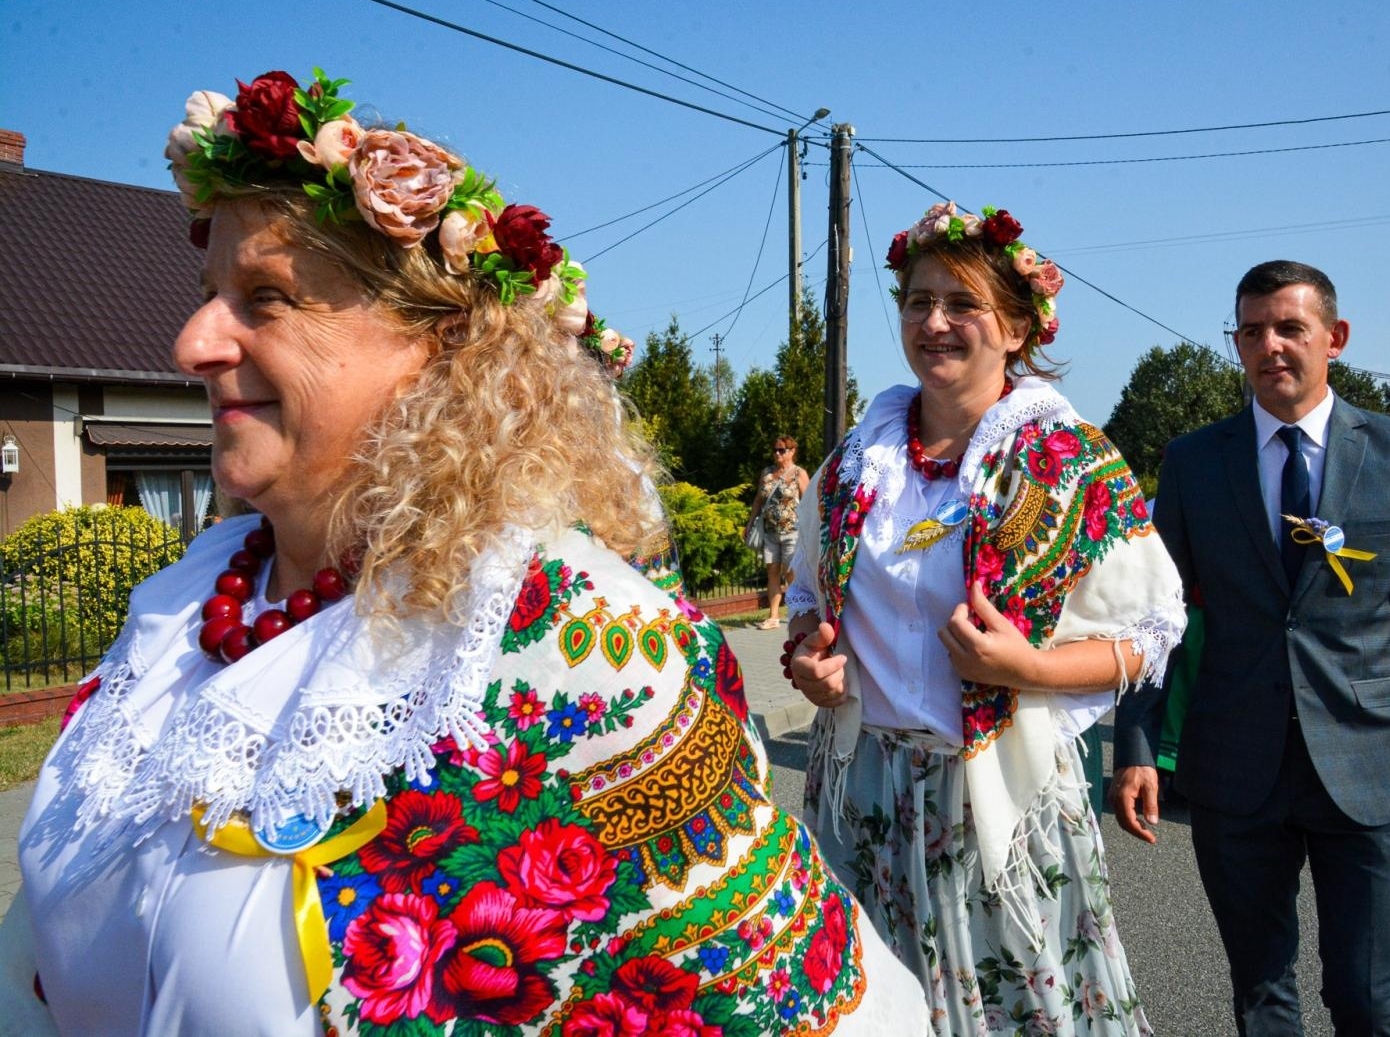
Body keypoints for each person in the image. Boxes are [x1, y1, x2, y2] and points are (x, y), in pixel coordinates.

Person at [15, 67, 928, 1036]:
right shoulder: (175, 617)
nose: (193, 342)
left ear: (440, 351)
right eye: (207, 294)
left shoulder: (587, 650)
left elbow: (818, 1011)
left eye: (267, 298)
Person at [785, 201, 1186, 1036]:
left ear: (1015, 329)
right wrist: (806, 663)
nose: (934, 323)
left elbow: (1152, 632)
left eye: (962, 305)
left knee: (1020, 1015)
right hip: (864, 795)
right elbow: (805, 601)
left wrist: (1027, 671)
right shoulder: (858, 461)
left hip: (996, 807)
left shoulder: (1070, 461)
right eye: (917, 301)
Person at [1112, 260, 1390, 1035]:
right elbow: (1152, 616)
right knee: (1262, 998)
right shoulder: (1196, 461)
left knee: (1369, 1002)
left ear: (1337, 339)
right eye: (1252, 332)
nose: (1271, 347)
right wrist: (1132, 743)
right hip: (1236, 772)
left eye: (1290, 328)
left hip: (1371, 770)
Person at [747, 435, 810, 629]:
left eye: (782, 450)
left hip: (792, 532)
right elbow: (759, 499)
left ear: (792, 452)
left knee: (791, 573)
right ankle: (773, 616)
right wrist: (750, 523)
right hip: (770, 532)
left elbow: (807, 502)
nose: (777, 453)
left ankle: (795, 612)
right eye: (775, 449)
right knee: (772, 572)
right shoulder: (767, 473)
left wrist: (809, 529)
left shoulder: (799, 473)